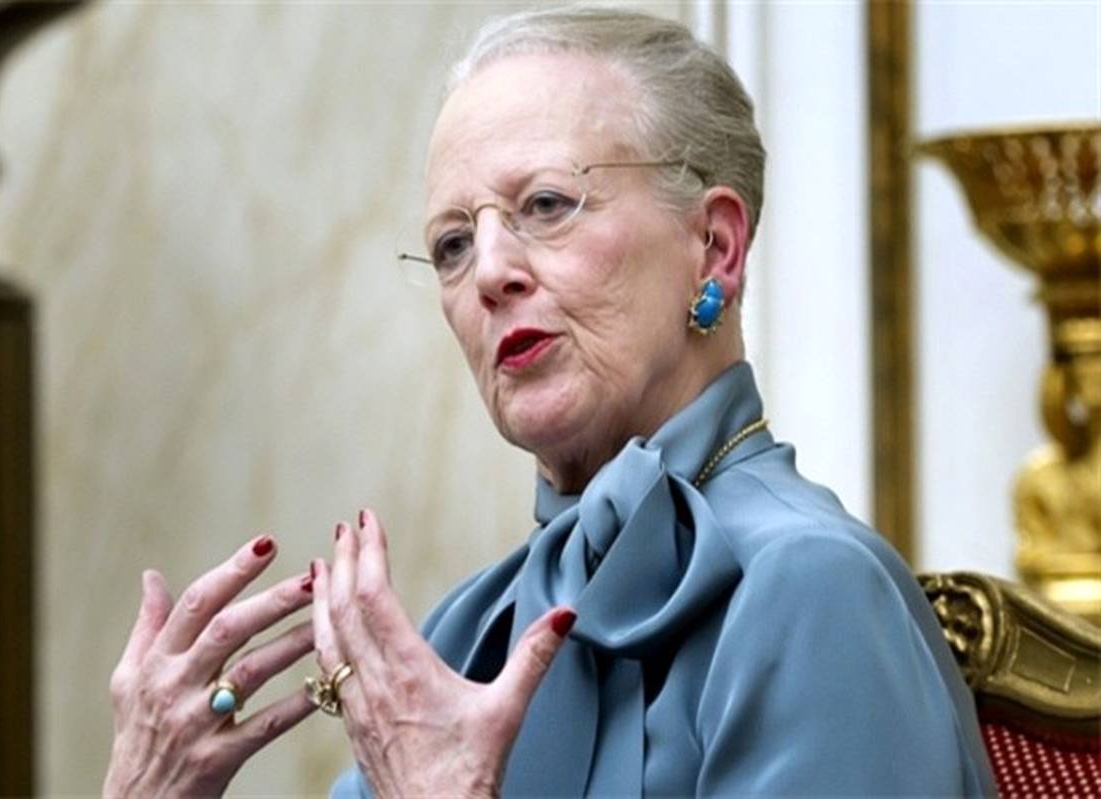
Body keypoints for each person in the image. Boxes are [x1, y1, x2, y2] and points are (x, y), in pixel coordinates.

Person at [104, 7, 997, 796]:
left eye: (546, 204)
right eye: (452, 245)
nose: (489, 272)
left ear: (716, 248)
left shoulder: (813, 590)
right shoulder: (472, 626)